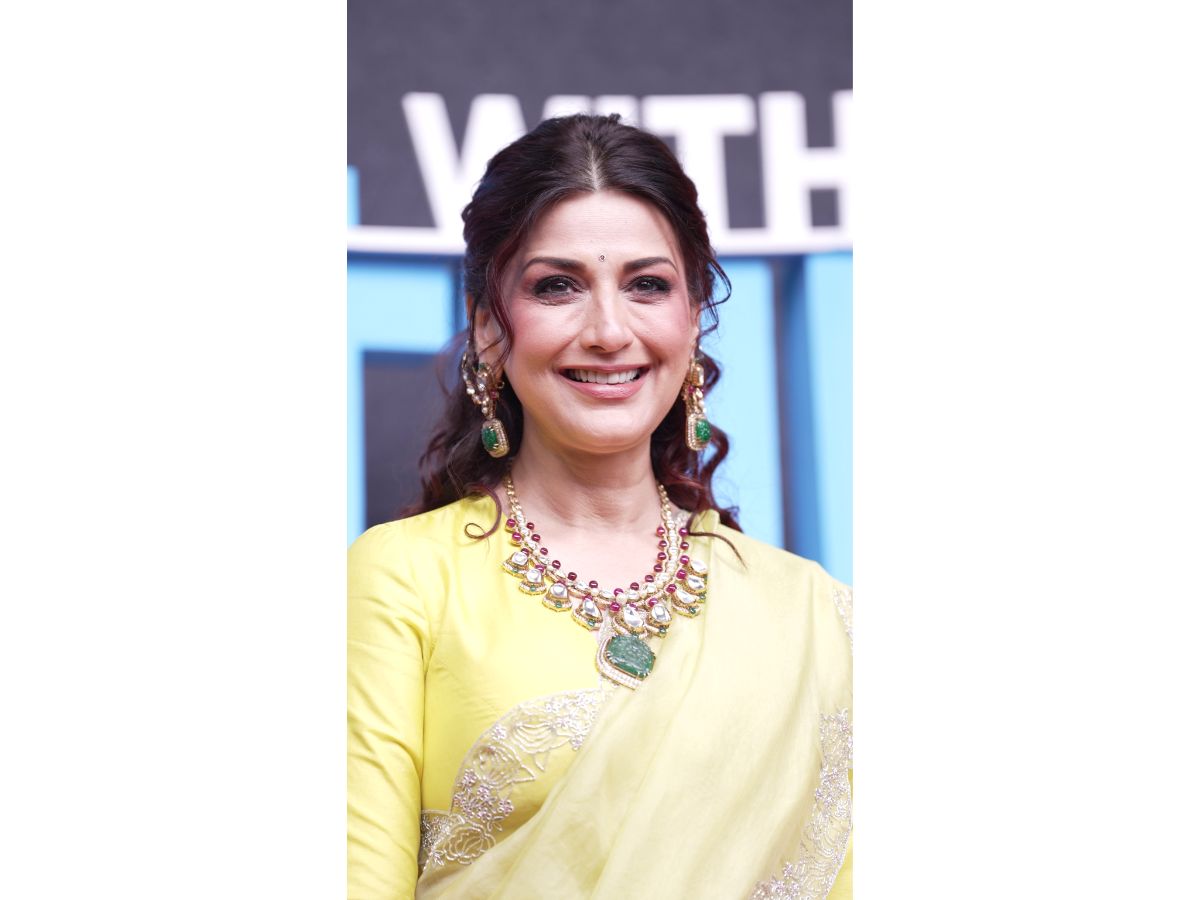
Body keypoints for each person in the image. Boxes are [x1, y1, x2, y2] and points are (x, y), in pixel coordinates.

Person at [348, 114, 852, 899]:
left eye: (648, 285)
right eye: (557, 286)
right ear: (489, 328)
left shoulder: (811, 612)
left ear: (693, 320)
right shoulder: (404, 579)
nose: (610, 331)